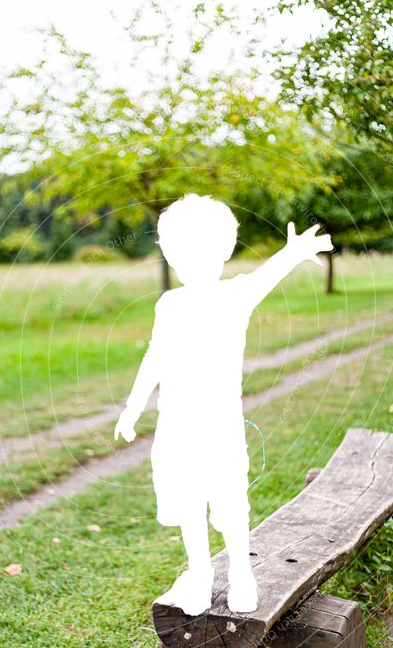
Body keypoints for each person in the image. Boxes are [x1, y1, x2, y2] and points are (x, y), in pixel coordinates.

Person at [115, 194, 333, 615]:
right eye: (182, 253)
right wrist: (133, 405)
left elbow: (269, 274)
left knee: (230, 496)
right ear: (171, 254)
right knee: (188, 498)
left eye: (205, 252)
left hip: (219, 423)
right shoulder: (169, 304)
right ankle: (200, 572)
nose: (192, 262)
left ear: (224, 251)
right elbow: (155, 356)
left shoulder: (235, 295)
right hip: (176, 424)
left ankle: (240, 572)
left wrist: (294, 251)